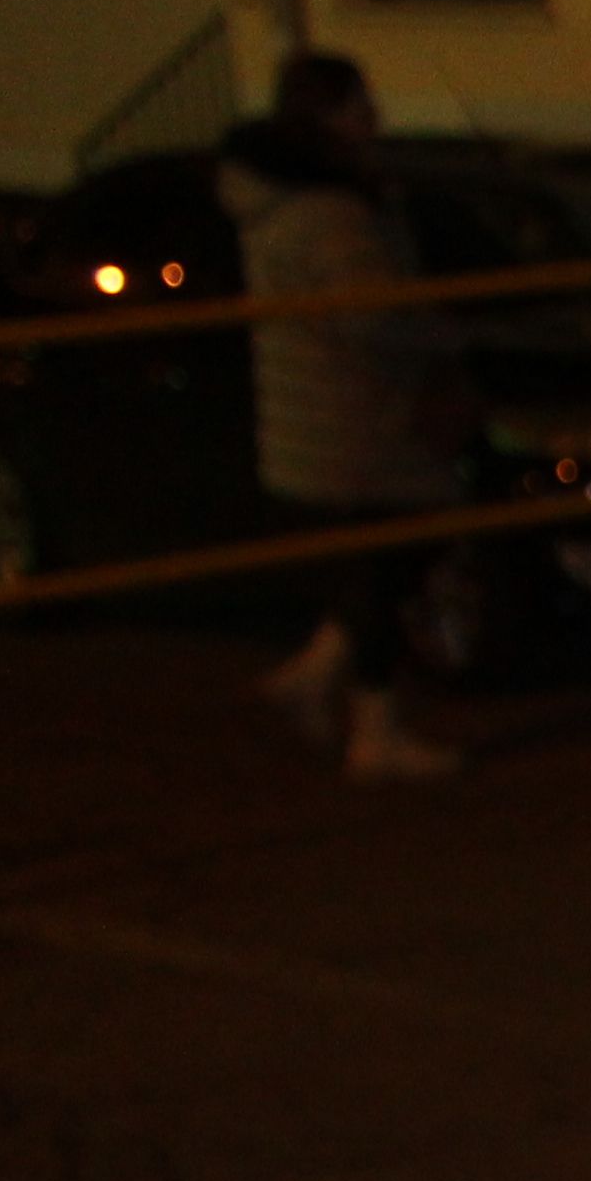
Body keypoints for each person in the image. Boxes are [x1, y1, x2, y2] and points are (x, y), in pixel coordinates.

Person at [227, 48, 465, 781]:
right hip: (357, 424)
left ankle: (317, 681)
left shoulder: (280, 203)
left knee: (383, 571)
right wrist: (441, 331)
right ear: (326, 121)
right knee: (399, 555)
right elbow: (372, 318)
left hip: (319, 423)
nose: (376, 121)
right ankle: (371, 730)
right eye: (361, 109)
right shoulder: (331, 214)